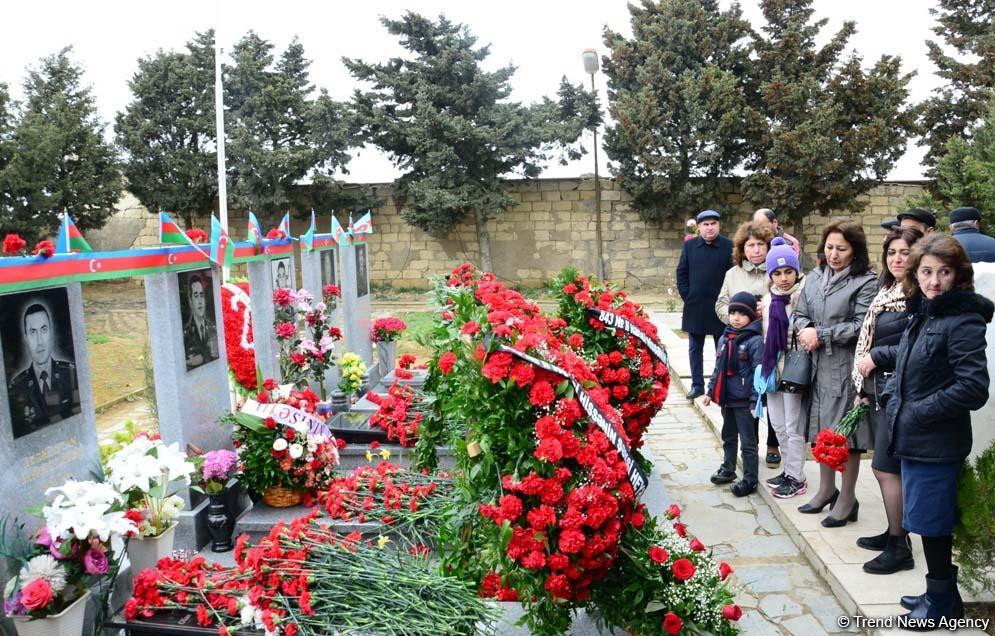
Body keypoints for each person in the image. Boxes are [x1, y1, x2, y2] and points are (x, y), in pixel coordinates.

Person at [882, 234, 991, 623]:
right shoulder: (926, 312)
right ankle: (941, 593)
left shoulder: (961, 320)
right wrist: (896, 402)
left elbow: (973, 388)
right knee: (927, 520)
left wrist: (917, 412)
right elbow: (912, 370)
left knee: (931, 521)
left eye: (943, 272)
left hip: (937, 440)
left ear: (958, 276)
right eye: (926, 272)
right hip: (916, 437)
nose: (933, 281)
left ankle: (941, 602)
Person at [794, 220, 877, 526]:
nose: (834, 254)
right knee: (819, 430)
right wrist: (804, 329)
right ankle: (826, 489)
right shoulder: (814, 277)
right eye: (830, 247)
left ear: (855, 250)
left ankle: (847, 498)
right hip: (816, 366)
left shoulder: (866, 282)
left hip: (845, 367)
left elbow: (861, 325)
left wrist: (823, 334)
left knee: (847, 436)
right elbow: (800, 314)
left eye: (842, 249)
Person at [851, 227, 924, 575]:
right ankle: (897, 532)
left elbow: (916, 346)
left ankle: (900, 544)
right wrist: (864, 384)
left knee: (885, 467)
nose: (897, 258)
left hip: (902, 390)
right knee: (886, 466)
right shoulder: (887, 291)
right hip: (881, 388)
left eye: (905, 252)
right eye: (892, 252)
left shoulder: (918, 295)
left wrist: (877, 356)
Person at [714, 220, 782, 468]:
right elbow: (721, 303)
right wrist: (736, 317)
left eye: (760, 245)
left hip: (771, 341)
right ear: (742, 249)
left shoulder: (776, 271)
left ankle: (773, 444)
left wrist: (767, 310)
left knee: (771, 393)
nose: (755, 250)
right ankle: (749, 444)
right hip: (740, 345)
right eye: (750, 245)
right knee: (745, 395)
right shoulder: (732, 275)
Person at [758, 238, 807, 498]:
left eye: (788, 271)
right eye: (777, 273)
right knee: (777, 424)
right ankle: (788, 470)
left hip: (794, 366)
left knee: (793, 425)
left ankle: (797, 476)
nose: (783, 278)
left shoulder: (804, 296)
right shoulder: (768, 300)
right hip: (772, 367)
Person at [704, 292, 764, 497]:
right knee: (728, 436)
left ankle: (750, 479)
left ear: (751, 316)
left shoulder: (755, 341)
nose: (736, 318)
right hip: (726, 398)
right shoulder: (724, 337)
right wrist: (710, 391)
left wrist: (755, 401)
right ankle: (728, 469)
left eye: (741, 314)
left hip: (744, 400)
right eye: (733, 313)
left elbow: (758, 374)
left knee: (748, 442)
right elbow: (718, 367)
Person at [676, 210, 733, 400]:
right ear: (698, 227)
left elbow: (733, 275)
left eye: (713, 224)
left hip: (720, 307)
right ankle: (697, 385)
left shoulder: (728, 246)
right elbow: (681, 273)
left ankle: (719, 385)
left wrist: (727, 302)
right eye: (706, 224)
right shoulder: (690, 246)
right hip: (696, 306)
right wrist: (688, 295)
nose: (710, 228)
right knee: (695, 348)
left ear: (719, 225)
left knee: (722, 347)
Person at [7, 303, 78, 436]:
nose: (40, 341)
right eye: (33, 332)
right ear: (26, 338)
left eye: (44, 329)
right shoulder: (17, 386)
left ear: (51, 332)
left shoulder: (70, 374)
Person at [183, 273, 219, 369]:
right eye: (196, 296)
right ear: (190, 301)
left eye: (201, 295)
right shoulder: (186, 333)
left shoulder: (213, 327)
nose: (200, 301)